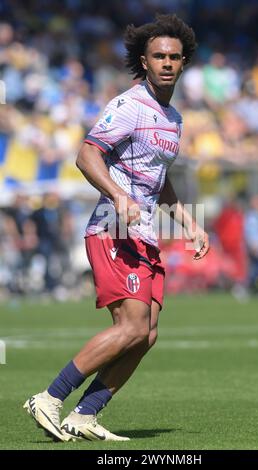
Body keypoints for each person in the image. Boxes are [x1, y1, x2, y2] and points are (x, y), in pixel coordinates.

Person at [24, 13, 209, 442]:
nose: (166, 62)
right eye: (158, 56)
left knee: (146, 334)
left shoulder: (174, 118)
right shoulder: (129, 106)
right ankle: (50, 398)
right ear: (144, 61)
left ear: (184, 63)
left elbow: (159, 182)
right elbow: (87, 155)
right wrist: (118, 196)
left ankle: (85, 414)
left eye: (174, 57)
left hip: (143, 233)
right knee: (129, 327)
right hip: (112, 228)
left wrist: (189, 223)